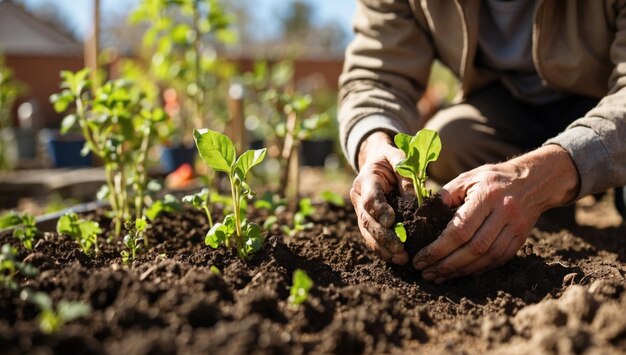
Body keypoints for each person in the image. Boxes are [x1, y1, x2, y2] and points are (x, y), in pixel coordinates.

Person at [339, 0, 626, 284]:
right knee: (452, 138)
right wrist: (373, 144)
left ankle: (562, 187)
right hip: (504, 108)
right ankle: (547, 210)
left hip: (606, 102)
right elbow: (375, 74)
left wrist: (545, 174)